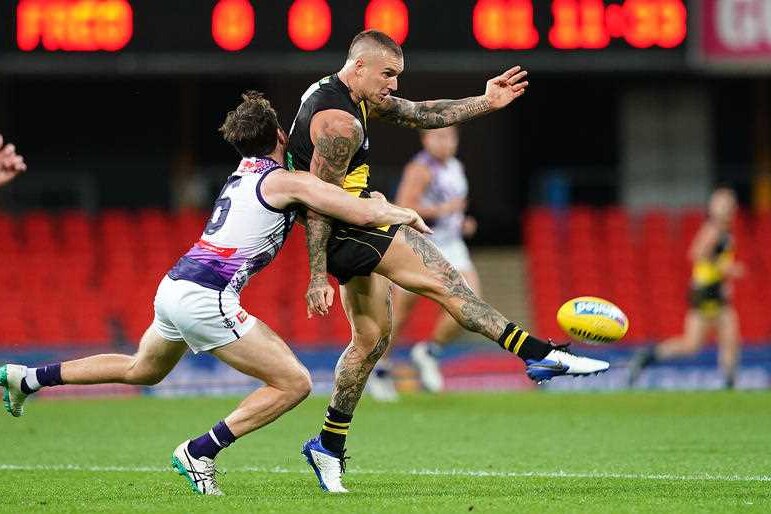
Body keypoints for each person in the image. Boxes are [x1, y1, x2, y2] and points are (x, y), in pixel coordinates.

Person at [0, 91, 430, 496]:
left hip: (175, 287)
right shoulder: (282, 181)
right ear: (281, 136)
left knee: (141, 370)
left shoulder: (242, 173)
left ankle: (29, 378)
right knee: (294, 382)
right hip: (207, 296)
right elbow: (355, 209)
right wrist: (403, 211)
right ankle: (200, 451)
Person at [287, 30, 610, 494]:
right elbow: (317, 202)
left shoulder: (346, 94)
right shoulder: (340, 123)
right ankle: (540, 355)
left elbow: (420, 112)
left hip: (353, 218)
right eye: (388, 74)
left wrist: (484, 101)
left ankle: (328, 446)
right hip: (349, 226)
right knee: (449, 286)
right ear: (359, 67)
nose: (394, 85)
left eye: (397, 76)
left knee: (371, 341)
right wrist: (317, 274)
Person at [369, 125, 479, 400]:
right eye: (438, 137)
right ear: (426, 139)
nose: (445, 143)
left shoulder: (456, 166)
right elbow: (405, 206)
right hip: (421, 244)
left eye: (450, 137)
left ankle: (429, 352)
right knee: (401, 313)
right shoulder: (419, 169)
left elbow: (454, 206)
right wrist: (444, 212)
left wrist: (461, 221)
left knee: (472, 303)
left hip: (452, 245)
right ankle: (379, 368)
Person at [628, 187, 743, 389]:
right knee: (692, 345)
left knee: (730, 338)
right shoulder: (713, 229)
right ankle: (647, 356)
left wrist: (725, 281)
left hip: (716, 291)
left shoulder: (726, 231)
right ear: (713, 208)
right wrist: (725, 268)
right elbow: (696, 253)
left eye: (729, 203)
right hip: (705, 292)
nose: (727, 208)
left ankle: (730, 384)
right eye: (722, 204)